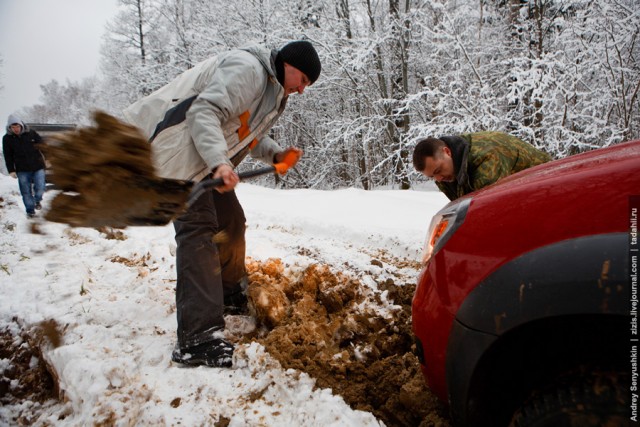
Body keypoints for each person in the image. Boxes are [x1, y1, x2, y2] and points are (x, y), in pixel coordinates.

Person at [123, 40, 322, 368]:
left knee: (231, 223)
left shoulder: (272, 91)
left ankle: (228, 297)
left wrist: (275, 154)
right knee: (197, 232)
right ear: (290, 64)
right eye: (302, 80)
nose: (302, 90)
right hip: (178, 157)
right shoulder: (249, 71)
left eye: (306, 86)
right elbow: (204, 112)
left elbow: (246, 132)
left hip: (204, 160)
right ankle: (197, 338)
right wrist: (219, 162)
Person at [412, 131, 551, 201]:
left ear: (447, 152)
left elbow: (486, 212)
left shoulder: (486, 158)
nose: (438, 178)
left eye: (438, 170)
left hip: (548, 188)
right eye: (432, 176)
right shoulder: (446, 174)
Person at [2, 115, 47, 218]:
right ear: (9, 128)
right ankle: (30, 211)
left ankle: (37, 200)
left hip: (37, 166)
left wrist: (47, 159)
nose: (16, 129)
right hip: (22, 169)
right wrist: (11, 170)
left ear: (21, 125)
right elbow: (7, 155)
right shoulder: (7, 139)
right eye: (13, 127)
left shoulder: (31, 133)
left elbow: (42, 146)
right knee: (26, 191)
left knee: (40, 187)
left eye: (17, 126)